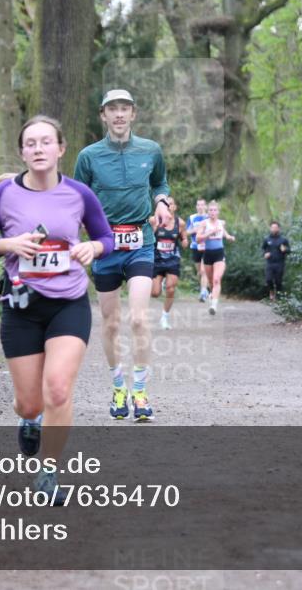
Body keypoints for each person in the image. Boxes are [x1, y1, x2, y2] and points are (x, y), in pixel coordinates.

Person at [0, 115, 114, 502]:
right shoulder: (5, 195)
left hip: (68, 304)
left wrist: (93, 248)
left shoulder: (79, 194)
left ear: (60, 149)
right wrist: (9, 245)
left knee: (59, 389)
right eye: (30, 143)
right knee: (30, 401)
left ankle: (49, 473)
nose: (38, 149)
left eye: (45, 142)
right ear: (22, 152)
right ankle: (29, 419)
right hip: (21, 307)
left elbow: (106, 237)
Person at [74, 89, 171, 422]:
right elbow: (78, 198)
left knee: (140, 318)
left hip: (141, 242)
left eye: (124, 108)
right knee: (112, 323)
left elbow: (161, 183)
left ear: (133, 114)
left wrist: (160, 202)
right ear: (103, 115)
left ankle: (141, 392)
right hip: (106, 246)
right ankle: (118, 387)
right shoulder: (88, 156)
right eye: (112, 109)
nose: (118, 114)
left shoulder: (150, 150)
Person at [149, 196, 189, 330]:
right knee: (155, 293)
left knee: (171, 288)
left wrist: (184, 242)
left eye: (171, 204)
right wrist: (153, 231)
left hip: (173, 259)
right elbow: (146, 236)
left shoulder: (180, 223)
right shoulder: (155, 221)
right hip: (157, 259)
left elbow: (184, 239)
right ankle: (161, 282)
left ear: (175, 207)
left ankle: (164, 318)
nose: (169, 206)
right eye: (167, 204)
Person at [196, 200, 235, 315]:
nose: (212, 212)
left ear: (218, 212)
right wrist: (210, 232)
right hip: (208, 254)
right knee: (211, 282)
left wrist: (229, 237)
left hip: (219, 254)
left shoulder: (221, 223)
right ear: (208, 212)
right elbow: (198, 238)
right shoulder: (204, 223)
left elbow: (224, 232)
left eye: (215, 210)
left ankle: (213, 306)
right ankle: (212, 295)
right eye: (210, 210)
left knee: (217, 279)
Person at [186, 199, 210, 301]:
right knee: (200, 272)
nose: (200, 207)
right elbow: (186, 232)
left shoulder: (209, 217)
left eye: (202, 205)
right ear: (196, 207)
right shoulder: (192, 218)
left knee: (203, 270)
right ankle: (205, 288)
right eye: (198, 205)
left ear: (205, 206)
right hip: (195, 247)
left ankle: (203, 293)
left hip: (207, 247)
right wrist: (194, 230)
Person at [262, 221, 290, 302]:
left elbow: (289, 250)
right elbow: (263, 249)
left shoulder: (283, 240)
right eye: (272, 227)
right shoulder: (267, 239)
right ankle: (271, 292)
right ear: (270, 228)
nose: (274, 229)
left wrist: (285, 250)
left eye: (275, 227)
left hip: (280, 263)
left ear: (279, 228)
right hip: (270, 263)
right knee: (268, 279)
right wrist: (265, 254)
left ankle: (278, 297)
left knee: (278, 281)